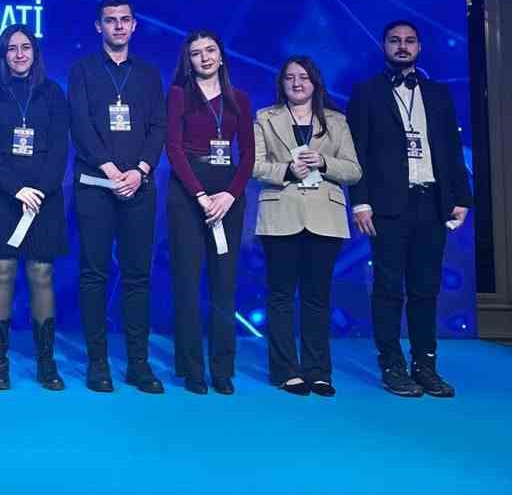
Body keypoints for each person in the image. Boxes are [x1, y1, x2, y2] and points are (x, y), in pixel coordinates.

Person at [347, 20, 472, 398]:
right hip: (387, 206)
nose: (402, 46)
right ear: (383, 46)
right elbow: (356, 152)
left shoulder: (438, 93)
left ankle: (425, 365)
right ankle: (392, 365)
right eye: (395, 41)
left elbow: (451, 149)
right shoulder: (366, 92)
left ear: (419, 47)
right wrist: (360, 201)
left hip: (431, 203)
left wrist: (462, 198)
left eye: (409, 41)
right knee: (387, 288)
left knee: (425, 289)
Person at [68, 0, 167, 393]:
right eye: (111, 20)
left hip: (138, 185)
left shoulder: (148, 74)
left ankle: (138, 363)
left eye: (125, 19)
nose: (119, 26)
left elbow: (158, 127)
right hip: (96, 185)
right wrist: (110, 170)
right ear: (99, 27)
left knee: (138, 275)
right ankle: (98, 363)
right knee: (94, 273)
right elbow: (80, 125)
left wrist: (139, 170)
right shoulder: (82, 70)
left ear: (134, 25)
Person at [253, 56, 361, 396]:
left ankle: (318, 372)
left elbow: (354, 170)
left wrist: (324, 162)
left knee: (317, 297)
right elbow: (254, 165)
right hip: (280, 214)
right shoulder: (265, 118)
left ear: (315, 82)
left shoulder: (337, 121)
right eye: (289, 77)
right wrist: (286, 170)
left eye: (303, 77)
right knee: (281, 296)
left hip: (324, 218)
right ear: (281, 83)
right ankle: (286, 370)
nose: (297, 83)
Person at [0, 25, 70, 390]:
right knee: (2, 270)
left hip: (44, 197)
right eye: (11, 48)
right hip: (1, 196)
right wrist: (16, 190)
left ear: (35, 52)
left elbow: (59, 149)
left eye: (25, 47)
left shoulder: (53, 94)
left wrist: (38, 191)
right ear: (3, 55)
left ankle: (46, 362)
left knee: (41, 272)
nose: (19, 54)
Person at [165, 30, 255, 395]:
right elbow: (173, 148)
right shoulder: (178, 94)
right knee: (187, 283)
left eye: (210, 50)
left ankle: (222, 369)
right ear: (188, 60)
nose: (204, 57)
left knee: (224, 284)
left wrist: (230, 196)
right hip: (188, 194)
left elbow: (248, 155)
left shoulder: (239, 99)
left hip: (228, 196)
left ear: (221, 55)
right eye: (196, 52)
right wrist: (201, 196)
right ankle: (192, 369)